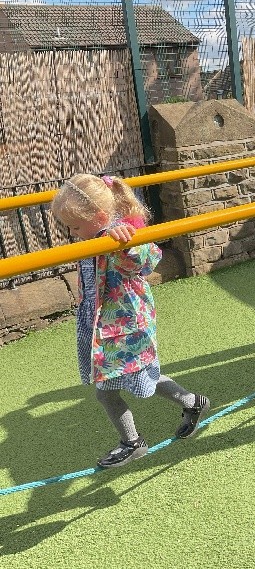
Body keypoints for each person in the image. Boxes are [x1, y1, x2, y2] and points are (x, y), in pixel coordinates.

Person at [51, 173, 210, 468]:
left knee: (119, 386)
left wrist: (126, 243)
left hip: (126, 328)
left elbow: (146, 260)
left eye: (75, 227)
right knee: (130, 382)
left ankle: (136, 440)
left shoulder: (119, 236)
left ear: (100, 217)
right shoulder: (92, 238)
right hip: (105, 326)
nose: (73, 233)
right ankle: (187, 406)